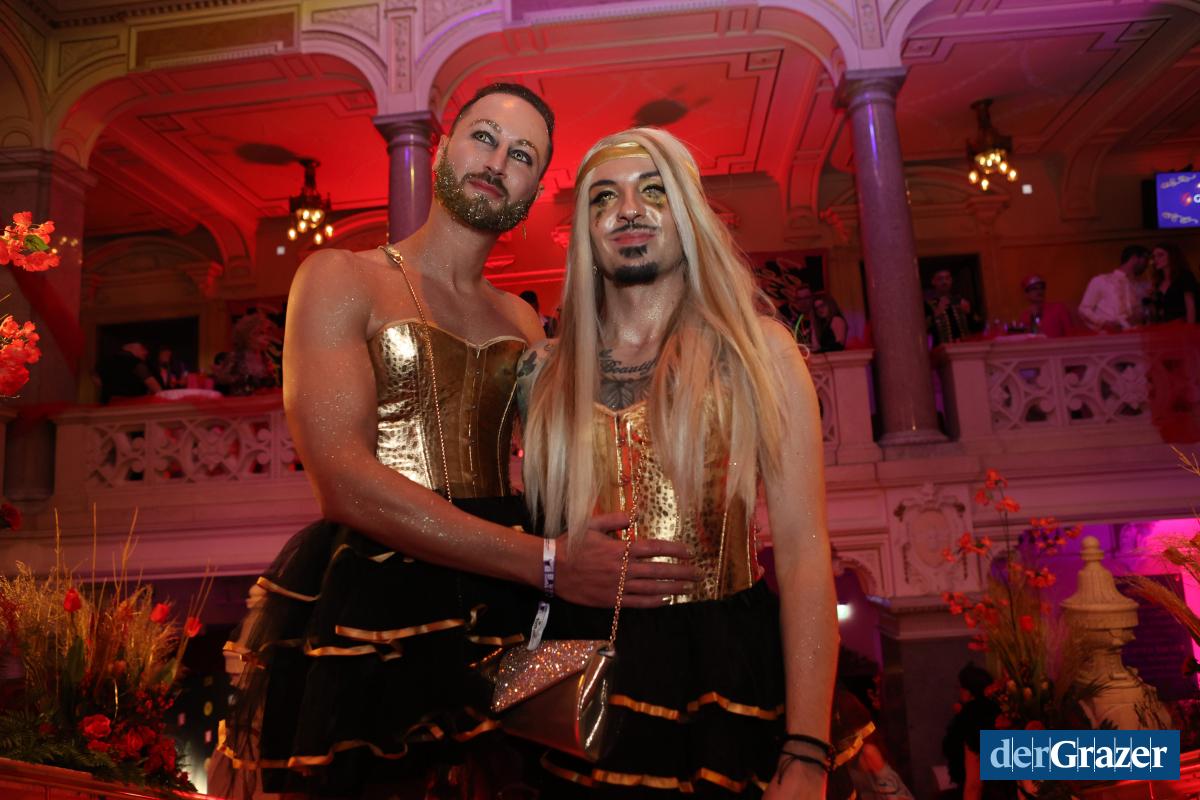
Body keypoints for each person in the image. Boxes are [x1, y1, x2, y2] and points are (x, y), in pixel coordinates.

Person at [221, 86, 694, 798]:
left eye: (522, 156)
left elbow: (572, 465)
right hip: (378, 601)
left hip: (506, 601)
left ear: (535, 192)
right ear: (443, 148)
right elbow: (341, 481)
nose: (497, 163)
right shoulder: (341, 277)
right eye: (484, 138)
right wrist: (546, 563)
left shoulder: (524, 323)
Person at [518, 128, 853, 797]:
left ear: (688, 213)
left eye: (654, 191)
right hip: (583, 677)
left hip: (727, 668)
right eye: (603, 198)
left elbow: (803, 552)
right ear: (584, 230)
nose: (628, 210)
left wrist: (808, 750)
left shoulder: (758, 352)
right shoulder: (540, 371)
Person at [1077, 245, 1149, 332]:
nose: (1147, 265)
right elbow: (1084, 309)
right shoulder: (1101, 280)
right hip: (1110, 336)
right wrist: (1104, 323)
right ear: (1134, 258)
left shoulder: (1139, 286)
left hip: (1137, 334)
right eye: (1145, 259)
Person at [212, 311, 282, 396]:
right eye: (260, 333)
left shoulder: (267, 361)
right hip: (240, 403)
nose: (266, 337)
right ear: (246, 336)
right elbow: (222, 386)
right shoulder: (234, 359)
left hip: (263, 403)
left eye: (266, 333)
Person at [925, 269, 981, 345]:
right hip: (940, 350)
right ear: (933, 282)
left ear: (951, 280)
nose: (944, 282)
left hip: (965, 347)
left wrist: (969, 313)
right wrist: (936, 314)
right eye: (940, 279)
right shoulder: (927, 305)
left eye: (947, 278)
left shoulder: (962, 301)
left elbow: (979, 328)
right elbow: (922, 330)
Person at [1151, 241, 1197, 324]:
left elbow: (1190, 306)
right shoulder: (1158, 280)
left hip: (1181, 324)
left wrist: (1190, 328)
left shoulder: (1184, 276)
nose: (1156, 259)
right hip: (1163, 325)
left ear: (1172, 256)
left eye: (1160, 255)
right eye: (1154, 256)